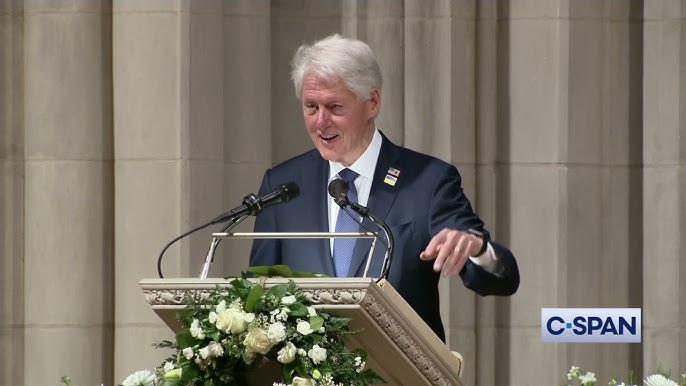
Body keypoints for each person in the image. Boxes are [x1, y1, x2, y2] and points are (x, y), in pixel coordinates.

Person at [249, 34, 519, 342]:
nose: (320, 122)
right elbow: (258, 294)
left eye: (335, 106)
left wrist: (478, 249)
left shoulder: (428, 181)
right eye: (311, 107)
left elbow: (501, 279)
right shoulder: (282, 185)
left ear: (372, 102)